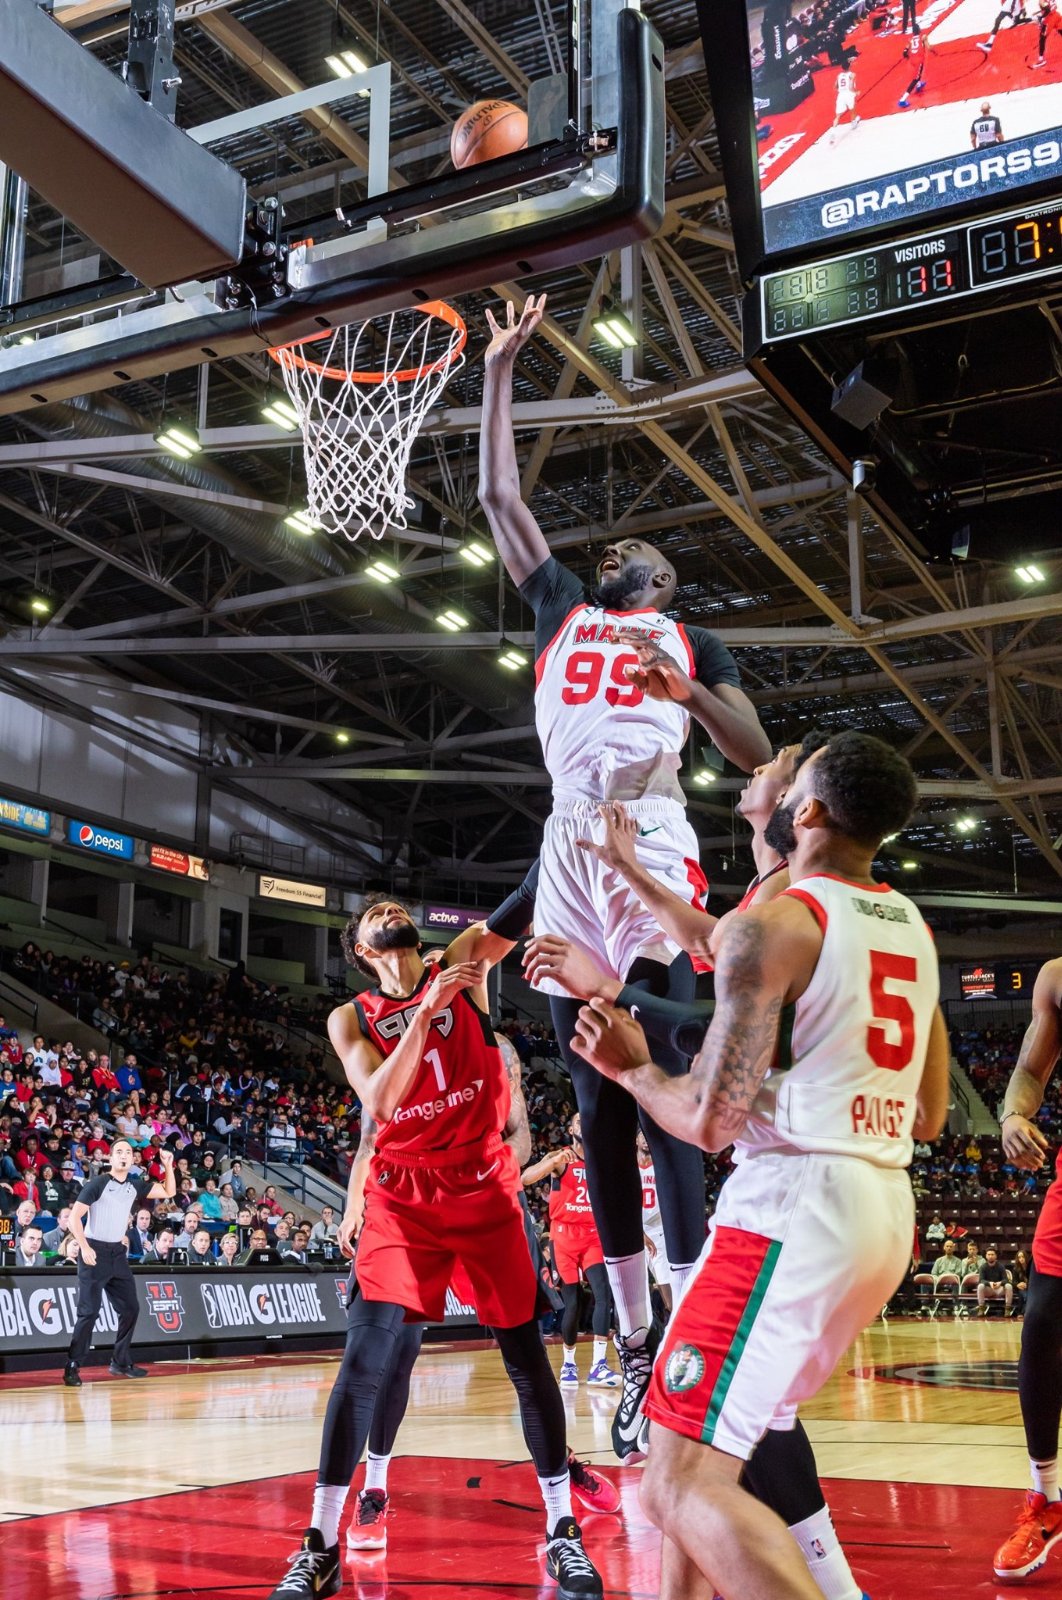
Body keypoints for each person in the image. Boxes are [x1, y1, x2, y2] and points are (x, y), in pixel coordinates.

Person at [479, 292, 770, 1462]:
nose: (611, 553)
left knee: (661, 1086)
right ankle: (645, 1341)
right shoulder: (561, 608)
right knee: (596, 1100)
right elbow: (500, 501)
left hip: (648, 845)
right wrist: (500, 370)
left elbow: (754, 751)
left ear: (665, 581)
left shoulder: (694, 642)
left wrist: (684, 689)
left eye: (630, 554)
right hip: (567, 843)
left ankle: (694, 1321)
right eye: (606, 551)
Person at [567, 731, 947, 1600]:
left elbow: (708, 1123)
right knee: (704, 1453)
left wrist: (632, 1070)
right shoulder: (911, 928)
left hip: (790, 1207)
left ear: (806, 812)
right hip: (881, 1212)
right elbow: (930, 1113)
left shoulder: (775, 925)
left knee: (672, 1485)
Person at [265, 896, 603, 1600]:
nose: (388, 906)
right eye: (374, 912)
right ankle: (321, 1543)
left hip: (481, 1185)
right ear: (363, 950)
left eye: (393, 903)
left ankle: (562, 1530)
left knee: (525, 1358)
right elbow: (382, 1102)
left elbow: (523, 902)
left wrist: (576, 832)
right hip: (403, 1196)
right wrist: (425, 1011)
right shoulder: (351, 1018)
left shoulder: (464, 962)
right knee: (366, 1359)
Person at [990, 956, 1062, 1579]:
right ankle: (1047, 1499)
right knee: (1041, 1328)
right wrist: (1013, 1115)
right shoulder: (1058, 976)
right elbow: (1030, 1072)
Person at [64, 1140, 176, 1387]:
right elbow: (73, 1219)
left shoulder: (134, 1185)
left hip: (117, 1253)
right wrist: (84, 1247)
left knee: (130, 1309)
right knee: (89, 1312)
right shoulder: (98, 1183)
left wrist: (168, 1165)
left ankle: (120, 1362)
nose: (124, 1155)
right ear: (111, 1158)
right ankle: (73, 1365)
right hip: (94, 1251)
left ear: (133, 1159)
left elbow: (169, 1192)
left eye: (128, 1152)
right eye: (119, 1152)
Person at [522, 1114, 619, 1390]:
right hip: (564, 1236)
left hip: (592, 1236)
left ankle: (599, 1365)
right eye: (577, 1121)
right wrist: (551, 1163)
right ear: (571, 1128)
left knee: (603, 1294)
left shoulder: (600, 1158)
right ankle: (568, 1364)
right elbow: (525, 1178)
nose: (583, 1124)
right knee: (572, 1302)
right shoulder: (561, 1156)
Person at [977, 1247, 1014, 1317]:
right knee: (980, 1286)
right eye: (989, 1254)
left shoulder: (1001, 1266)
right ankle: (981, 1308)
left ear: (996, 1256)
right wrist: (989, 1283)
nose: (990, 1256)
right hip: (989, 1290)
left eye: (992, 1254)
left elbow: (1006, 1280)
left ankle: (1007, 1309)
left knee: (1009, 1286)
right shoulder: (983, 1267)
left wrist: (1000, 1283)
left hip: (999, 1289)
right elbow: (981, 1280)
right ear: (986, 1256)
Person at [832, 66, 860, 131]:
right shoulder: (852, 74)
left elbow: (835, 87)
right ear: (849, 66)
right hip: (849, 94)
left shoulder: (839, 75)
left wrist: (841, 90)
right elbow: (850, 87)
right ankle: (854, 123)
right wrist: (856, 92)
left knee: (837, 116)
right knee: (852, 109)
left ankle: (833, 132)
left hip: (841, 95)